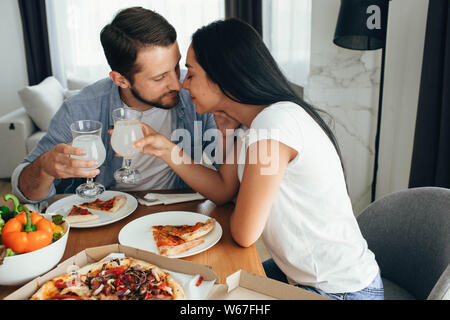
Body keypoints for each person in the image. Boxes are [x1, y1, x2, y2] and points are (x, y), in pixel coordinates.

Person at [134, 18, 384, 300]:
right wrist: (167, 149)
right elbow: (222, 190)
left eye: (190, 74)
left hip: (340, 291)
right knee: (200, 287)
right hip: (304, 276)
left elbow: (244, 232)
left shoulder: (273, 126)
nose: (182, 85)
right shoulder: (254, 123)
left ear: (222, 76)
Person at [11, 7, 218, 203]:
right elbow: (24, 193)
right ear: (120, 79)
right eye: (160, 77)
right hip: (105, 215)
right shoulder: (79, 109)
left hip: (177, 212)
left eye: (176, 66)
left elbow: (228, 177)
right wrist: (44, 169)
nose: (177, 83)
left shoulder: (196, 94)